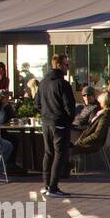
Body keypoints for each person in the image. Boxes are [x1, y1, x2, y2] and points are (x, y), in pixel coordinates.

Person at [37, 54, 76, 198]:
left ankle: (47, 184)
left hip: (46, 122)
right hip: (59, 123)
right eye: (66, 65)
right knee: (60, 155)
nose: (68, 67)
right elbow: (69, 106)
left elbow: (38, 104)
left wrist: (45, 114)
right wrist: (68, 119)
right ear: (58, 65)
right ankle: (53, 187)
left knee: (48, 153)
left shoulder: (43, 82)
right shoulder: (62, 84)